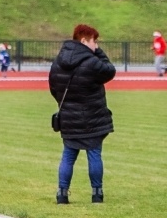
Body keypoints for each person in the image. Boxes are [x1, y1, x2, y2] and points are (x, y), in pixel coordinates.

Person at [48, 24, 116, 205]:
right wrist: (99, 52)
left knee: (68, 156)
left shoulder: (58, 61)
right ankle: (97, 193)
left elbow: (54, 87)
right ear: (84, 40)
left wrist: (66, 105)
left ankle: (62, 194)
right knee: (94, 154)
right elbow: (110, 71)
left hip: (69, 118)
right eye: (94, 41)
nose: (96, 45)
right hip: (93, 117)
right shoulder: (92, 62)